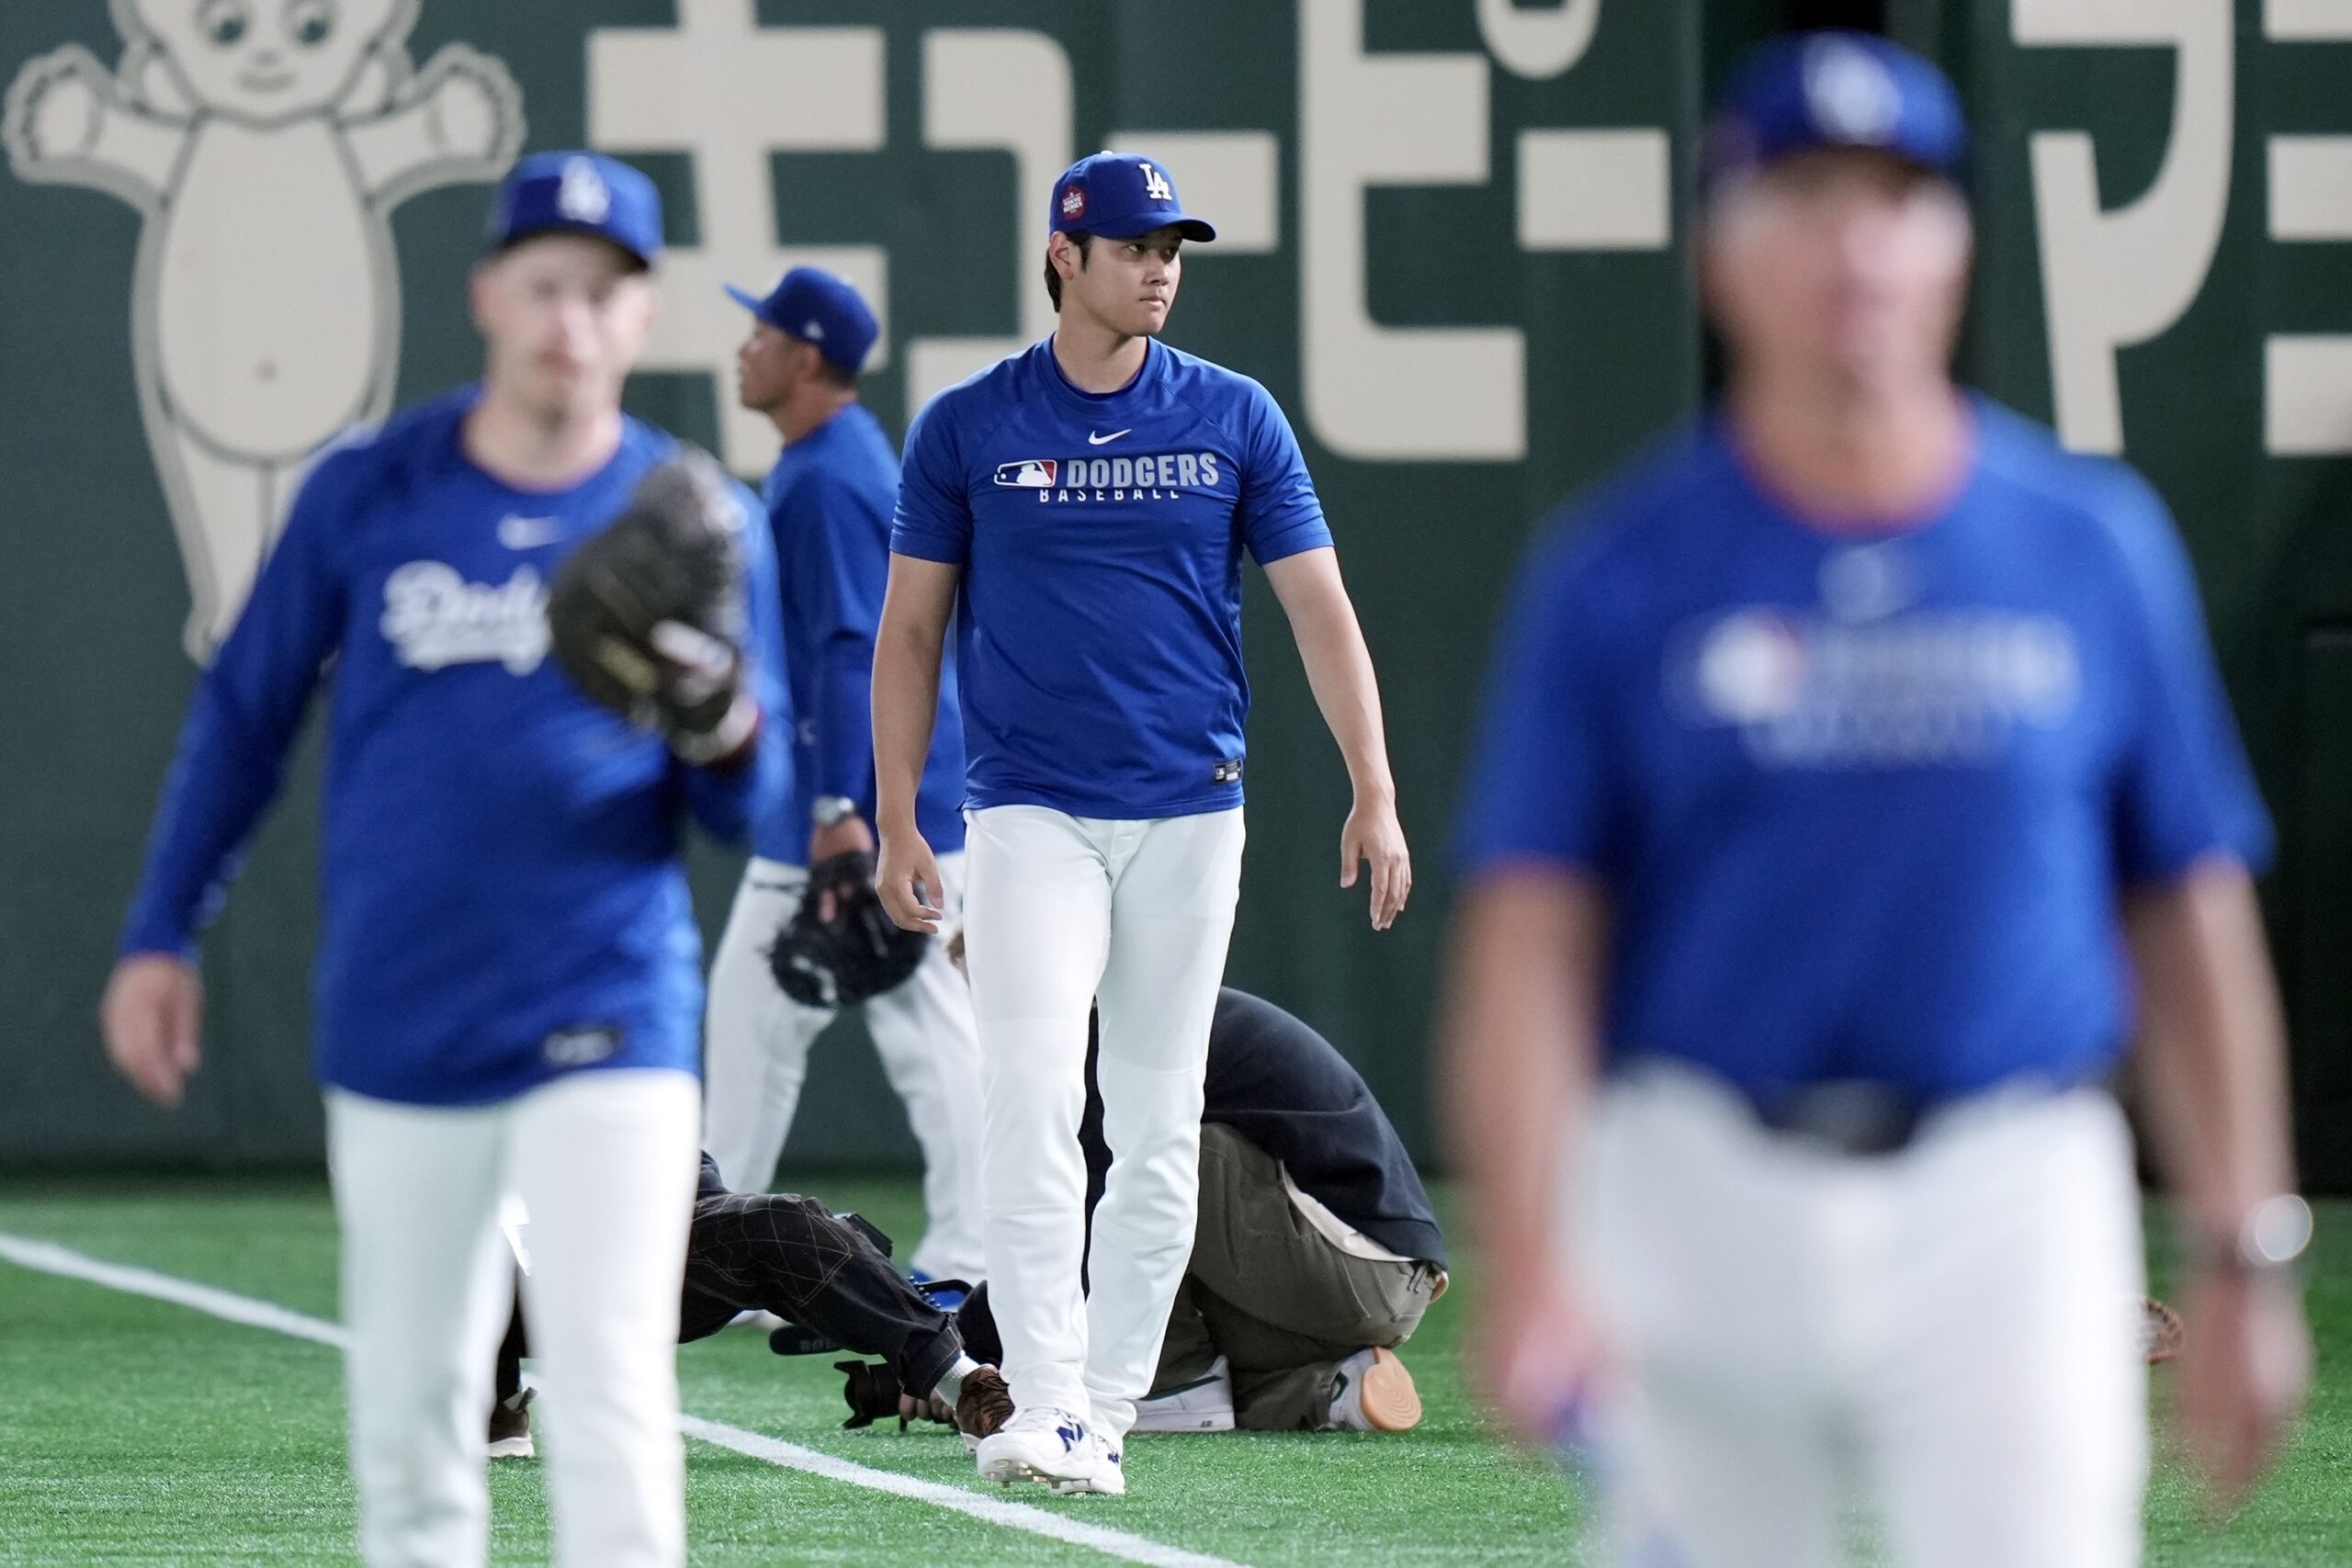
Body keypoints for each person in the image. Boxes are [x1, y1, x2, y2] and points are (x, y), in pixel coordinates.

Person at [1442, 33, 2311, 1568]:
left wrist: (2248, 1253)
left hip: (2010, 1189)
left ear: (1961, 248)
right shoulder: (1621, 572)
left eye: (1902, 200)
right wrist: (1534, 1252)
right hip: (1700, 1184)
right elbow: (1530, 943)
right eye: (1807, 198)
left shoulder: (2087, 549)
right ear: (1720, 254)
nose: (1858, 246)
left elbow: (2187, 910)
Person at [97, 152, 787, 1568]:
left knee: (611, 1409)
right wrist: (163, 929)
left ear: (641, 316)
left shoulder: (697, 522)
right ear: (486, 293)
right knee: (418, 1434)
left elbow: (756, 812)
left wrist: (723, 722)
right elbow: (242, 719)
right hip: (405, 1021)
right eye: (545, 284)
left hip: (612, 1019)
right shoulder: (373, 491)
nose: (570, 319)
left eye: (603, 293)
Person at [873, 151, 1412, 1495]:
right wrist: (899, 813)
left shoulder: (1236, 417)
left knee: (1160, 1120)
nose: (1161, 266)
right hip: (1028, 816)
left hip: (1191, 814)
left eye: (1174, 245)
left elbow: (1319, 610)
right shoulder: (967, 426)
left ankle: (1102, 1411)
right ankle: (1045, 1393)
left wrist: (1376, 782)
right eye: (1133, 244)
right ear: (1065, 256)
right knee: (1034, 1099)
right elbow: (911, 630)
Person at [701, 265, 984, 1281]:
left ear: (806, 356)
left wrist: (840, 810)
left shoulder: (825, 476)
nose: (745, 348)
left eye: (763, 333)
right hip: (889, 795)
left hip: (859, 808)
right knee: (908, 1028)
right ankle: (725, 1253)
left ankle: (714, 1254)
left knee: (774, 1028)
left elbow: (850, 647)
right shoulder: (836, 460)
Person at [947, 976, 1447, 1435]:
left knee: (1148, 1165)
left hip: (1350, 1267)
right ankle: (1330, 1389)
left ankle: (1171, 1378)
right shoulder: (1148, 1010)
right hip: (1353, 1280)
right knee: (1210, 1363)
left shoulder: (1108, 1038)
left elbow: (1077, 1233)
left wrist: (956, 1350)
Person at [487, 1152, 1012, 1458]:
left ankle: (957, 1376)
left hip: (618, 1257)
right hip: (476, 1293)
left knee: (776, 1222)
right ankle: (486, 1398)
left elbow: (690, 1180)